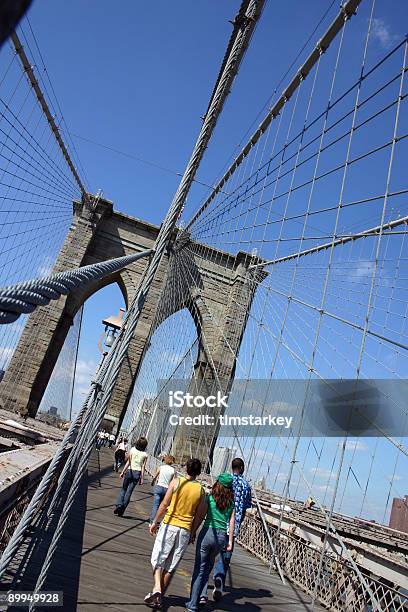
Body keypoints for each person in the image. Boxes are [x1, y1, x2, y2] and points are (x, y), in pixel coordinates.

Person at [144, 458, 205, 608]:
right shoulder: (201, 491)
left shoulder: (176, 482)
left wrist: (155, 522)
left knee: (157, 558)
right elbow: (199, 515)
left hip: (170, 525)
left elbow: (165, 504)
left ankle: (157, 587)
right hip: (185, 530)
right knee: (171, 566)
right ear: (198, 473)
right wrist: (193, 532)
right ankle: (158, 598)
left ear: (185, 468)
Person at [200, 457, 252, 605]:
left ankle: (202, 592)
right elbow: (244, 509)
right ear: (242, 468)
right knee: (224, 558)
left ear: (232, 466)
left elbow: (213, 498)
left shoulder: (224, 480)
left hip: (216, 526)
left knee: (206, 560)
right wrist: (237, 524)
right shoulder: (246, 485)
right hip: (232, 528)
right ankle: (219, 583)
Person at [185, 473, 235, 612]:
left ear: (218, 483)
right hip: (220, 538)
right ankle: (202, 596)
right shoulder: (231, 503)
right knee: (208, 568)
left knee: (199, 569)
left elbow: (200, 516)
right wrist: (229, 541)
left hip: (207, 533)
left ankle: (193, 604)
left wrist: (193, 531)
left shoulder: (210, 498)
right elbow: (231, 522)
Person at [114, 436, 148, 517]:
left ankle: (119, 505)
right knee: (129, 492)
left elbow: (128, 462)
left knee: (123, 489)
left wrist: (122, 472)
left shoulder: (132, 449)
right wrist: (142, 478)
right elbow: (143, 466)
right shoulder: (145, 455)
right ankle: (122, 510)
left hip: (130, 471)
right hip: (137, 473)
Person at [149, 455, 175, 525]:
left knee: (156, 505)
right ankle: (159, 521)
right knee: (163, 506)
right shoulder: (173, 470)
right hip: (167, 489)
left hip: (159, 487)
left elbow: (155, 476)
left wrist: (153, 481)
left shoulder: (161, 467)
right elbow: (172, 482)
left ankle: (152, 522)